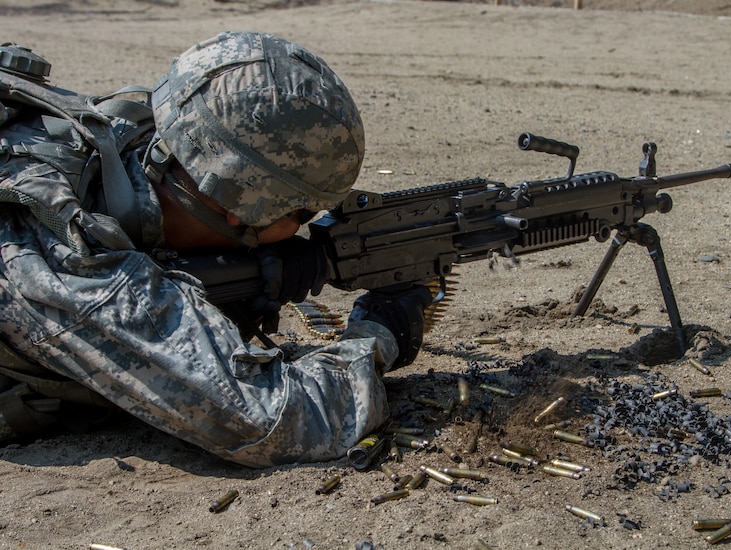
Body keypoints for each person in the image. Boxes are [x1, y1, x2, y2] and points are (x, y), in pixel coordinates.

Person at [0, 31, 431, 467]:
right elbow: (282, 421)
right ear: (241, 210)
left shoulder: (123, 131)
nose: (306, 227)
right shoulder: (74, 258)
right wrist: (380, 333)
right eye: (302, 215)